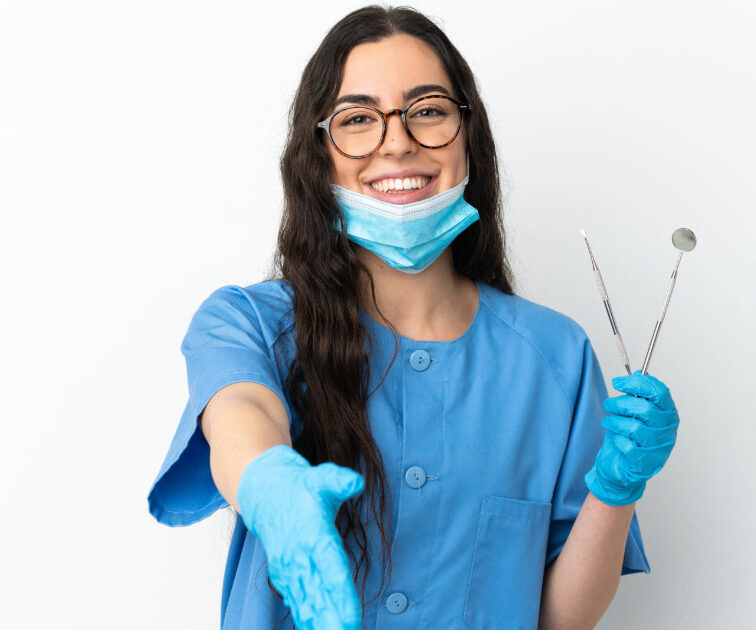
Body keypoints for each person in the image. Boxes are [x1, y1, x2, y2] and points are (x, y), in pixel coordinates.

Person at [146, 5, 681, 629]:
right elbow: (242, 413)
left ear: (468, 134)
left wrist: (615, 491)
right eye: (358, 119)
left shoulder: (555, 356)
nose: (396, 141)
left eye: (428, 110)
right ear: (318, 154)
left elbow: (559, 619)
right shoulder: (247, 323)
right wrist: (268, 482)